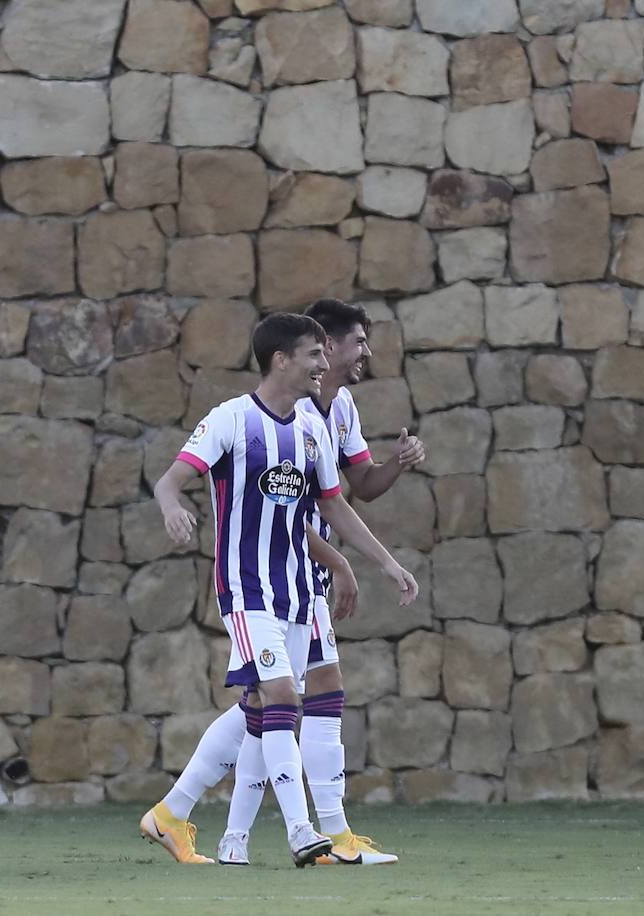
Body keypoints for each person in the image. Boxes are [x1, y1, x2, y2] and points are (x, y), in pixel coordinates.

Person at [138, 312, 418, 868]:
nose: (324, 363)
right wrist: (172, 507)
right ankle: (304, 833)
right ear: (281, 360)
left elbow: (336, 502)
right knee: (284, 701)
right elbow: (170, 479)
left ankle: (191, 823)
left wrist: (385, 562)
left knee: (262, 709)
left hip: (295, 589)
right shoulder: (232, 420)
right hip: (246, 590)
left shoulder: (314, 427)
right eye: (315, 354)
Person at [216, 298, 425, 866]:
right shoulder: (268, 415)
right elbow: (285, 508)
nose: (367, 353)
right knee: (271, 704)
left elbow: (355, 488)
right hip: (272, 577)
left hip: (308, 574)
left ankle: (267, 837)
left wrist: (397, 464)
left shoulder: (339, 409)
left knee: (287, 702)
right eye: (358, 342)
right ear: (323, 349)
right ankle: (310, 834)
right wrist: (340, 561)